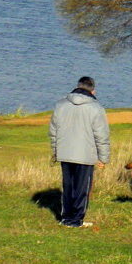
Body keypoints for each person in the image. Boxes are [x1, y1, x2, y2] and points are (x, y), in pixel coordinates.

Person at [48, 76, 110, 228]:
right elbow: (101, 135)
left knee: (68, 186)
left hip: (65, 152)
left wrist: (56, 151)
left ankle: (66, 218)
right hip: (85, 155)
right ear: (93, 90)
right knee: (82, 189)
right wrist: (103, 158)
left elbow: (53, 131)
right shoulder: (96, 108)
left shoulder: (60, 104)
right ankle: (75, 220)